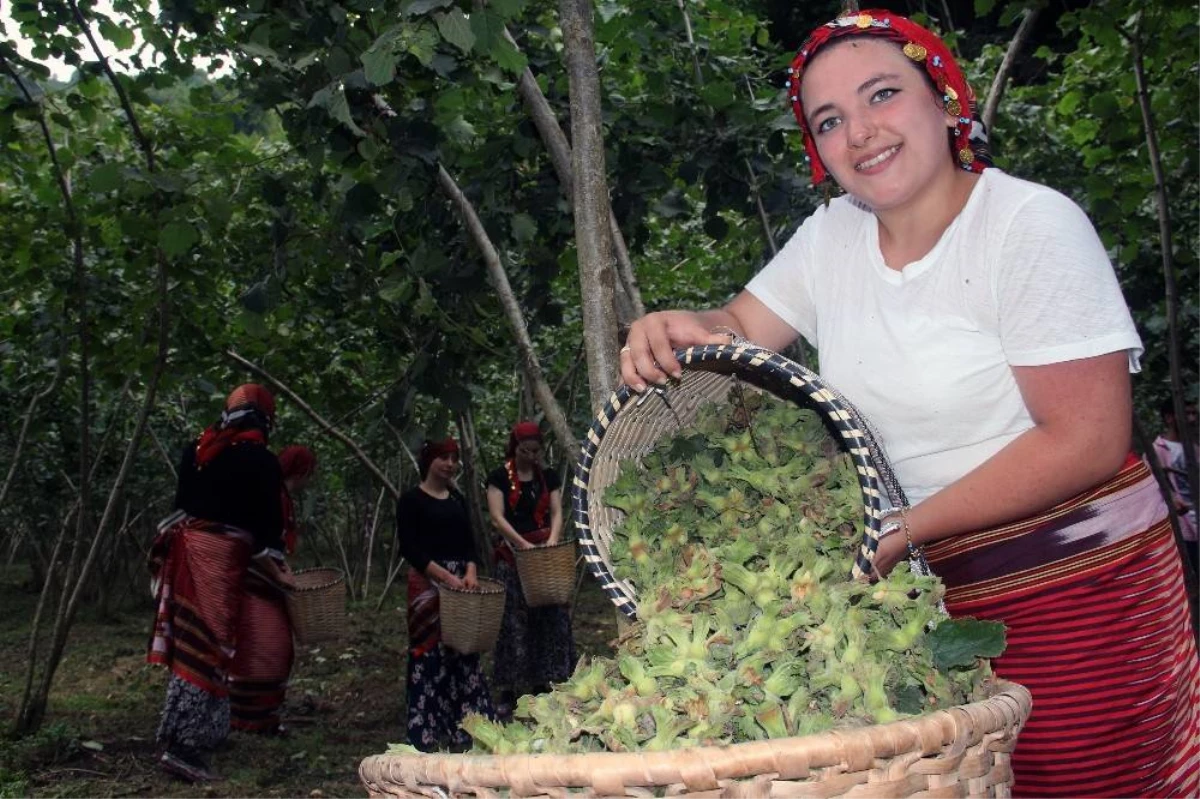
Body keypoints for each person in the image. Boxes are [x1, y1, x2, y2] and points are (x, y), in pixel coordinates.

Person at [620, 10, 1200, 797]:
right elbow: (738, 332)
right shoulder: (833, 238)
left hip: (1077, 593)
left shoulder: (1027, 226)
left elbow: (1088, 437)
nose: (861, 132)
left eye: (883, 94)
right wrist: (678, 325)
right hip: (929, 603)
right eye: (831, 120)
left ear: (944, 97)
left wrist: (900, 530)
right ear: (818, 151)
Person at [148, 384, 295, 783]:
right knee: (210, 646)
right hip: (220, 558)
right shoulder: (260, 460)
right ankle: (184, 749)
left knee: (196, 645)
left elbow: (183, 504)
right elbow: (264, 532)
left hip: (187, 552)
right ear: (266, 417)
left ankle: (198, 734)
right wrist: (282, 575)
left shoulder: (198, 450)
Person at [395, 438, 493, 751]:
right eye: (443, 458)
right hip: (428, 586)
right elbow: (410, 548)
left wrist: (470, 572)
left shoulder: (457, 499)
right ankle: (425, 731)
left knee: (463, 652)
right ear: (428, 462)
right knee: (428, 653)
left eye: (453, 458)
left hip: (461, 586)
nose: (450, 464)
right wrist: (445, 577)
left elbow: (468, 543)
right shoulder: (410, 501)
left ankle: (467, 729)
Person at [485, 421, 575, 720]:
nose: (532, 456)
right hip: (512, 555)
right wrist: (522, 544)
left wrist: (550, 541)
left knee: (546, 618)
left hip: (544, 557)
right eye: (527, 450)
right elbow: (497, 518)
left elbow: (556, 511)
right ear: (515, 447)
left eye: (537, 450)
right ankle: (508, 688)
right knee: (512, 622)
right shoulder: (499, 477)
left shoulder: (546, 477)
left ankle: (543, 682)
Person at [228, 444, 318, 735]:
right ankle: (248, 717)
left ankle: (263, 715)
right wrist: (276, 574)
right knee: (262, 648)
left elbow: (276, 545)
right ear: (301, 472)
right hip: (256, 582)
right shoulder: (271, 496)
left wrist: (285, 572)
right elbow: (256, 541)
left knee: (276, 649)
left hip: (267, 582)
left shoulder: (282, 497)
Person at [1150, 400, 1199, 570]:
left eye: (1194, 414)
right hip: (1182, 527)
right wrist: (1172, 499)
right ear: (1170, 418)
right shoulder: (1156, 451)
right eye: (1187, 414)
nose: (1192, 419)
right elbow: (1153, 490)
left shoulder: (1194, 449)